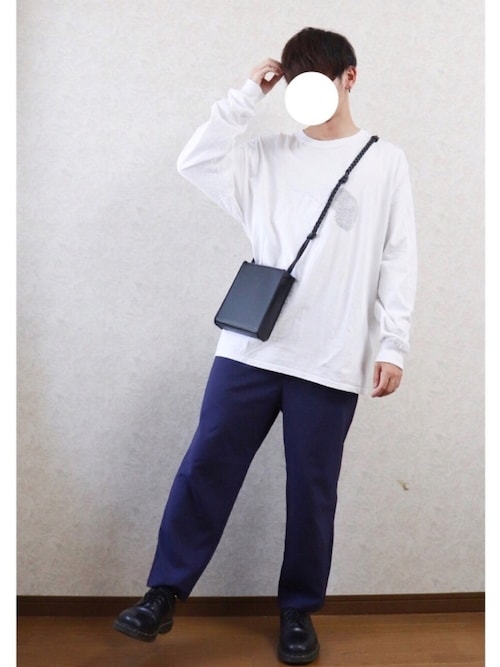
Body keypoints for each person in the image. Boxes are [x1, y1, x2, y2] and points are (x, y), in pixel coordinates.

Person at [113, 27, 417, 665]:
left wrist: (393, 344)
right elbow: (195, 161)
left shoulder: (384, 161)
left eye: (319, 81)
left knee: (312, 490)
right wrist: (246, 94)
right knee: (206, 466)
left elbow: (398, 258)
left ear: (349, 78)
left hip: (332, 355)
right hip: (249, 349)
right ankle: (162, 594)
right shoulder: (265, 155)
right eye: (296, 85)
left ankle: (298, 612)